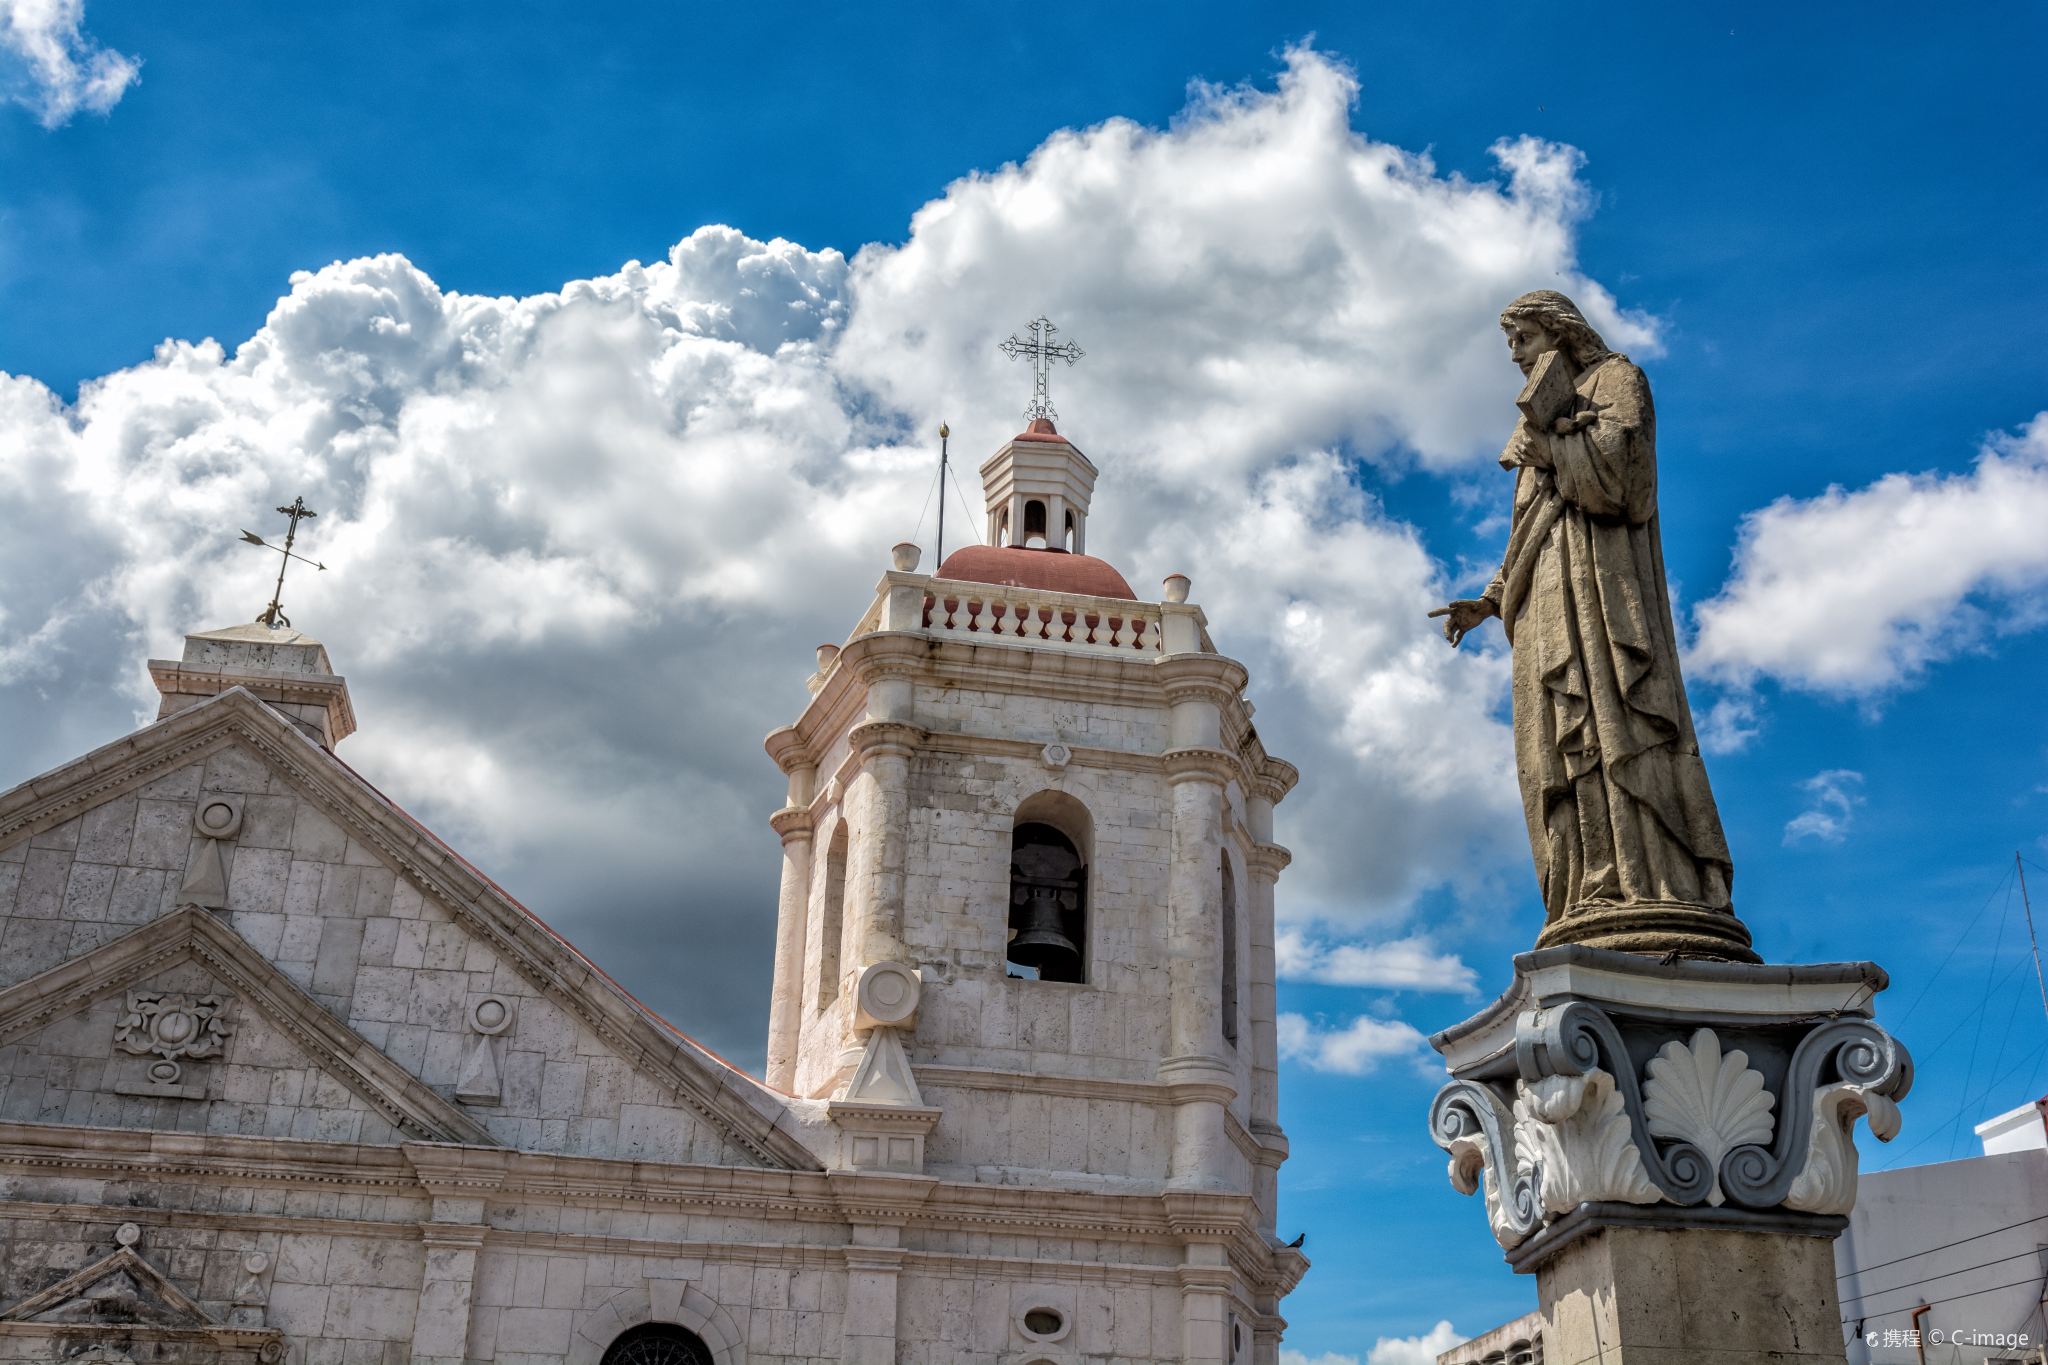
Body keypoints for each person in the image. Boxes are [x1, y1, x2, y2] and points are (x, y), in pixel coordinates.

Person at [1432, 291, 1751, 960]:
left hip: (1603, 581)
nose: (1515, 355)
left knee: (1618, 718)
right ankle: (1591, 883)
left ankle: (1656, 878)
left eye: (1522, 338)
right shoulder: (1535, 423)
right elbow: (1527, 526)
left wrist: (1556, 440)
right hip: (1546, 593)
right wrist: (1489, 600)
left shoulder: (1617, 378)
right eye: (1510, 343)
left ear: (1559, 332)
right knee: (1563, 735)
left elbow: (1625, 483)